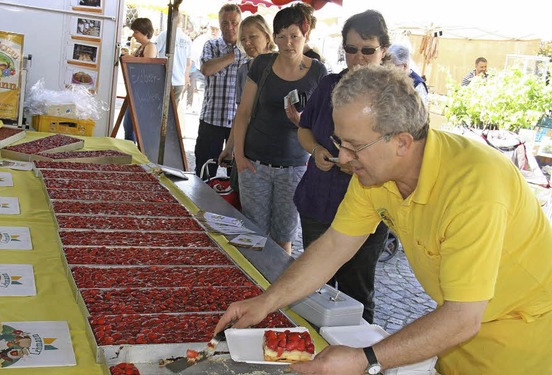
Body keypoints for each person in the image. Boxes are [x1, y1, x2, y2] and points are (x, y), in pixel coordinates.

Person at [216, 64, 552, 374]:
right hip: (455, 342)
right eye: (339, 141)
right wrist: (266, 302)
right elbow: (334, 245)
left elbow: (463, 318)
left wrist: (366, 359)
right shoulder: (374, 173)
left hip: (521, 346)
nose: (343, 157)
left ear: (403, 142)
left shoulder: (474, 186)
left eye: (355, 146)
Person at [291, 9, 390, 323]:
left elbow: (402, 156)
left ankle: (355, 360)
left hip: (369, 208)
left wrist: (362, 164)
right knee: (313, 287)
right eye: (350, 49)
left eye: (367, 50)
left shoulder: (394, 96)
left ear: (383, 50)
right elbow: (304, 129)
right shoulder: (328, 85)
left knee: (356, 293)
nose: (358, 57)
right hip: (319, 202)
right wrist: (317, 149)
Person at [232, 4, 328, 254]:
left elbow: (322, 124)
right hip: (254, 164)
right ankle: (252, 284)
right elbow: (243, 113)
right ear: (274, 37)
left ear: (305, 37)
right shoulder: (262, 64)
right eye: (282, 36)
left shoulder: (318, 71)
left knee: (283, 236)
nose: (288, 43)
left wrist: (301, 122)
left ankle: (275, 288)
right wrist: (239, 157)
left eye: (295, 36)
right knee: (253, 234)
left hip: (294, 166)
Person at [217, 14, 276, 166]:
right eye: (243, 39)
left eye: (253, 37)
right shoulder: (244, 70)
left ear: (267, 37)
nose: (247, 43)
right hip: (249, 147)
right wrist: (230, 148)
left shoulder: (281, 67)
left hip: (276, 149)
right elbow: (241, 113)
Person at [194, 4, 244, 179]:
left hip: (240, 124)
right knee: (204, 173)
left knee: (237, 178)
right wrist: (236, 54)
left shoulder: (251, 48)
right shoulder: (212, 45)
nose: (229, 27)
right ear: (219, 23)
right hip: (211, 120)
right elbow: (207, 69)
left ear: (240, 22)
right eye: (225, 23)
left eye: (234, 22)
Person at [122, 18, 157, 141]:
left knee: (132, 126)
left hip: (142, 94)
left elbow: (147, 67)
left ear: (145, 33)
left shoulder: (150, 46)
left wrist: (130, 58)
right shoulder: (142, 47)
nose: (133, 35)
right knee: (128, 125)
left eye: (136, 32)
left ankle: (133, 153)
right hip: (136, 91)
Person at [156, 16, 192, 101]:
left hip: (165, 79)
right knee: (173, 111)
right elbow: (188, 62)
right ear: (181, 22)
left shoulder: (165, 35)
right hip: (179, 81)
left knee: (159, 110)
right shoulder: (187, 39)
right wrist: (185, 77)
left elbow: (154, 51)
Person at [186, 22, 220, 113]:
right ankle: (201, 109)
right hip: (199, 70)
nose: (214, 31)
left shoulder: (220, 41)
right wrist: (188, 72)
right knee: (201, 91)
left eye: (216, 29)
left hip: (214, 73)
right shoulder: (201, 40)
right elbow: (192, 57)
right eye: (213, 29)